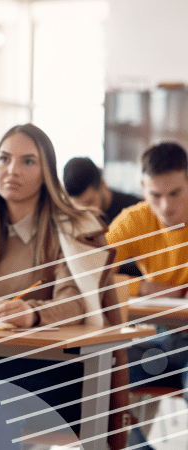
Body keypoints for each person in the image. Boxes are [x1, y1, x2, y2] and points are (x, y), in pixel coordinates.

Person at [0, 124, 129, 450]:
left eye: (28, 162)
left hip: (63, 374)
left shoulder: (72, 228)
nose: (12, 170)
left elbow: (75, 301)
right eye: (4, 158)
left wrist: (32, 312)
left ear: (47, 174)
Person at [105, 142, 188, 449]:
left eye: (175, 193)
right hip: (157, 337)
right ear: (143, 189)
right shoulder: (135, 220)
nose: (165, 206)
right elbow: (89, 273)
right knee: (100, 380)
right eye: (155, 195)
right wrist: (144, 287)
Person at [63, 156, 143, 277]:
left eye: (89, 203)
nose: (86, 212)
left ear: (103, 185)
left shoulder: (135, 209)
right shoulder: (72, 218)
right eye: (79, 208)